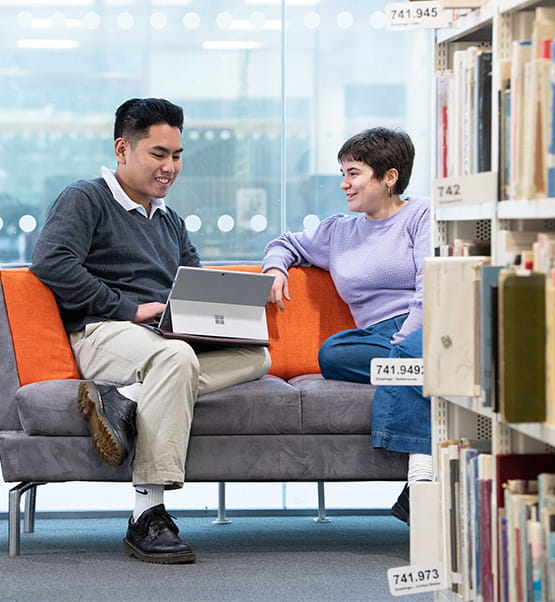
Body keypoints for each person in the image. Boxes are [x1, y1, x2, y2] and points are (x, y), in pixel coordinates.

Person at [30, 98, 271, 563]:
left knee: (255, 357)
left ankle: (129, 397)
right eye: (159, 154)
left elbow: (195, 278)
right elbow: (52, 262)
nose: (170, 167)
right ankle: (147, 513)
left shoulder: (169, 219)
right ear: (123, 148)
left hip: (160, 338)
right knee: (176, 360)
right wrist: (130, 307)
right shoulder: (86, 198)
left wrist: (211, 319)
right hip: (104, 331)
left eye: (177, 155)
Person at [262, 127, 431, 525]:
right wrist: (274, 268)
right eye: (343, 173)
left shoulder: (420, 215)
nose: (344, 184)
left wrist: (408, 341)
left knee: (417, 351)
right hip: (372, 338)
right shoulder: (338, 230)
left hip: (423, 326)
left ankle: (420, 478)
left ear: (389, 177)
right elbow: (285, 243)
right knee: (332, 353)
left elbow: (430, 286)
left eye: (353, 173)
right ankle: (420, 372)